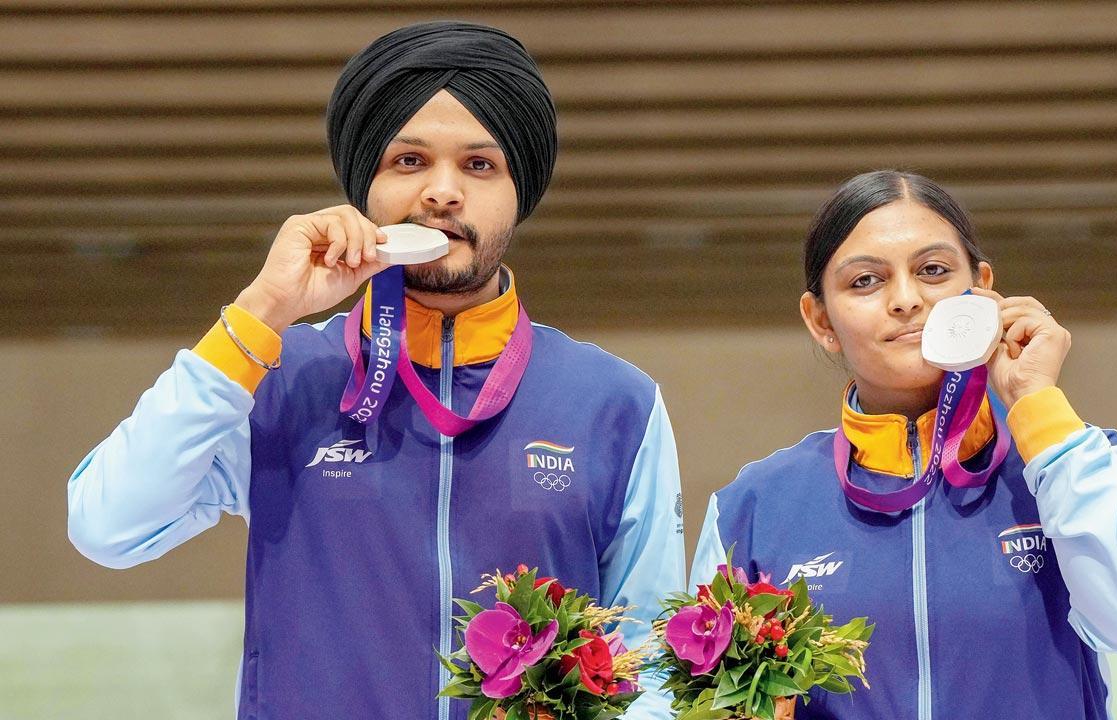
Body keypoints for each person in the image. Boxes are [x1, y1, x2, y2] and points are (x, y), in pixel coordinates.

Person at [67, 21, 684, 720]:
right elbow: (106, 526)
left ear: (522, 192)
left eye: (480, 166)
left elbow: (650, 656)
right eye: (409, 160)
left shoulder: (614, 403)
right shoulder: (282, 376)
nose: (443, 193)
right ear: (366, 185)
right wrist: (263, 310)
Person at [688, 170, 1117, 719]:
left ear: (982, 290)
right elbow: (702, 698)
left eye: (933, 271)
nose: (906, 300)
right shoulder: (755, 505)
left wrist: (1039, 410)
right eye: (865, 281)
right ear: (821, 320)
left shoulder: (1085, 458)